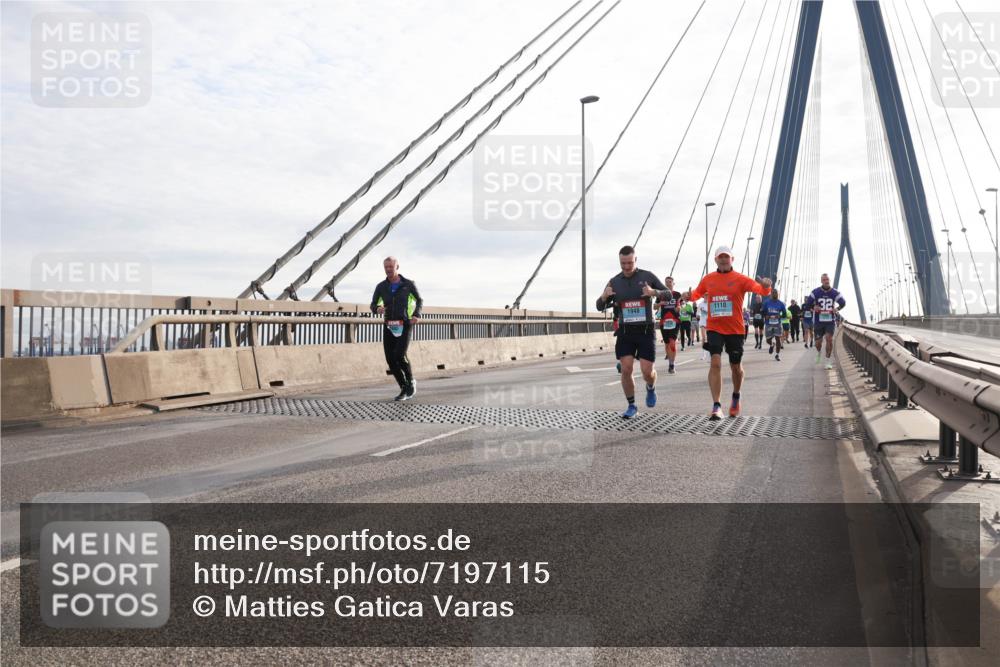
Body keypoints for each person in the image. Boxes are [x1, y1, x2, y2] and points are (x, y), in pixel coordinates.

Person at [682, 246, 773, 420]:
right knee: (715, 363)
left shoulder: (740, 279)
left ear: (732, 259)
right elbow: (696, 294)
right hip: (715, 328)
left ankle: (736, 396)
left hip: (735, 329)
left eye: (727, 257)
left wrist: (766, 287)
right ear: (715, 260)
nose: (723, 260)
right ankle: (716, 405)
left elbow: (760, 290)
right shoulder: (709, 279)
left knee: (736, 367)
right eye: (720, 257)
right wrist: (688, 295)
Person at [597, 245, 667, 418]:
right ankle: (632, 405)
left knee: (646, 372)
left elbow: (669, 294)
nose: (626, 267)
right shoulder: (614, 281)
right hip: (626, 332)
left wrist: (653, 292)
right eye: (623, 263)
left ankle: (650, 387)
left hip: (645, 331)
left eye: (629, 263)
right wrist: (605, 297)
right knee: (626, 369)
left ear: (636, 260)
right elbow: (599, 306)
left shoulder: (647, 276)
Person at [371, 256, 423, 400]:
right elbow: (373, 304)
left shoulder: (408, 284)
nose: (388, 270)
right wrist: (377, 309)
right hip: (389, 325)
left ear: (397, 267)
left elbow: (419, 300)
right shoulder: (381, 286)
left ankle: (410, 380)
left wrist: (417, 314)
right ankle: (404, 388)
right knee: (390, 359)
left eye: (391, 267)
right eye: (386, 267)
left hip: (405, 323)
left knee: (399, 355)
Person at [803, 273, 847, 370]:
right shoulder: (816, 292)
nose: (826, 281)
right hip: (818, 321)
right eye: (824, 280)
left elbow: (843, 302)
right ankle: (819, 353)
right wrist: (813, 307)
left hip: (830, 321)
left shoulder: (834, 292)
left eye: (827, 279)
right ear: (821, 281)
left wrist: (837, 309)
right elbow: (807, 305)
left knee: (829, 339)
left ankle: (828, 361)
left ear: (829, 280)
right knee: (818, 343)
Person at [656, 276, 683, 374]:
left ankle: (672, 364)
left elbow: (680, 305)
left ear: (673, 283)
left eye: (670, 282)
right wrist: (660, 303)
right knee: (667, 344)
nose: (668, 283)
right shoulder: (660, 294)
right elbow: (654, 307)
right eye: (666, 282)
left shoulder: (677, 294)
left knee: (672, 342)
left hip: (675, 320)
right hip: (664, 321)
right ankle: (670, 361)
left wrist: (678, 308)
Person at [763, 289, 786, 361]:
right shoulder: (766, 303)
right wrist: (765, 316)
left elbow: (784, 314)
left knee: (778, 339)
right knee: (768, 340)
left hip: (777, 324)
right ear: (771, 294)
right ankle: (772, 344)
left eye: (776, 293)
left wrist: (780, 316)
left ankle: (777, 355)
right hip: (768, 324)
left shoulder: (781, 303)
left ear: (778, 294)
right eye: (773, 293)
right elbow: (762, 312)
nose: (774, 294)